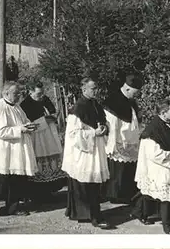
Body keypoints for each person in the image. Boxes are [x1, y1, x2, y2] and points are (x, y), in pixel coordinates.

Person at [0, 81, 38, 216]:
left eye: (19, 93)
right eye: (16, 93)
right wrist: (21, 130)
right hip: (3, 150)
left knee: (15, 180)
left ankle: (13, 207)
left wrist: (29, 125)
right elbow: (0, 131)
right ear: (5, 93)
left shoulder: (16, 106)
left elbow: (24, 120)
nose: (19, 96)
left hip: (15, 149)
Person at [132, 101, 170, 234]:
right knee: (165, 195)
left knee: (153, 193)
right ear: (163, 113)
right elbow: (153, 154)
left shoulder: (168, 124)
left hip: (169, 163)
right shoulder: (152, 130)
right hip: (158, 165)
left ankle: (139, 212)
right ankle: (168, 226)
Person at [62, 78, 112, 229]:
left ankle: (89, 213)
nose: (95, 91)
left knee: (93, 183)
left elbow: (104, 121)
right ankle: (91, 215)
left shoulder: (95, 104)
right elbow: (72, 133)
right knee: (86, 183)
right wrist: (93, 133)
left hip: (96, 148)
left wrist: (104, 128)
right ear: (84, 90)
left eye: (96, 88)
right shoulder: (78, 108)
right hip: (83, 152)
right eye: (92, 88)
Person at [20, 82, 66, 202]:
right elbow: (28, 123)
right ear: (30, 92)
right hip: (36, 137)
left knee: (52, 161)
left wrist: (53, 116)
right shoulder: (25, 104)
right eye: (38, 94)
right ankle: (37, 193)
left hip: (49, 135)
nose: (41, 97)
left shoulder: (44, 99)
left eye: (42, 94)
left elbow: (52, 110)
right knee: (40, 162)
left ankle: (50, 190)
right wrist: (45, 119)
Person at [101, 74, 143, 204]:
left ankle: (127, 194)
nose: (135, 96)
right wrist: (112, 144)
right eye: (134, 93)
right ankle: (114, 195)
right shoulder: (112, 101)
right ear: (128, 89)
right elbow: (112, 125)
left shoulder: (130, 101)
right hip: (118, 140)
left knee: (128, 169)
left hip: (131, 139)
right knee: (117, 170)